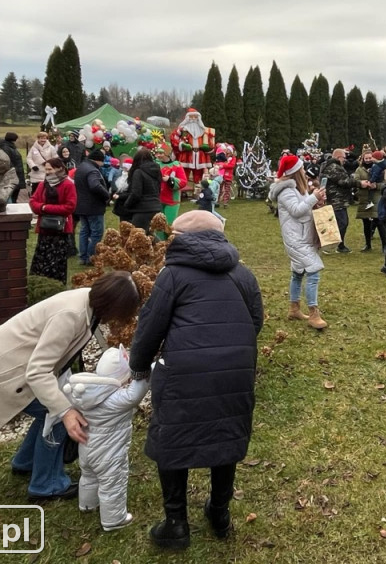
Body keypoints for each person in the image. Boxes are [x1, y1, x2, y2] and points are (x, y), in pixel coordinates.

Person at [0, 271, 141, 501]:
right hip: (8, 369)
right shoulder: (70, 315)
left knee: (55, 408)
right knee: (59, 415)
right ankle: (46, 485)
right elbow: (38, 371)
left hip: (16, 363)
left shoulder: (88, 303)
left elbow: (58, 359)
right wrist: (65, 411)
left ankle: (27, 462)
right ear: (112, 305)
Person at [128, 211, 263, 549]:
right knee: (226, 433)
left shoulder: (172, 275)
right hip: (235, 370)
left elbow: (150, 326)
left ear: (182, 239)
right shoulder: (243, 274)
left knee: (174, 437)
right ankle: (219, 513)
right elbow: (255, 321)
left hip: (184, 370)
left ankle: (175, 524)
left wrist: (139, 365)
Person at [65, 344, 150, 532]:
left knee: (88, 477)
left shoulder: (86, 393)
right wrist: (150, 367)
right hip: (108, 454)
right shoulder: (117, 399)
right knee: (112, 483)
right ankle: (114, 519)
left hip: (86, 449)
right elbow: (138, 390)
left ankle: (87, 505)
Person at [268, 155, 328, 329]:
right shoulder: (286, 191)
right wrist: (313, 197)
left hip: (303, 237)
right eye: (302, 168)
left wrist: (317, 201)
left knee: (298, 273)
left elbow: (305, 209)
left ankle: (294, 309)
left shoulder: (297, 189)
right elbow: (296, 211)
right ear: (296, 171)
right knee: (314, 270)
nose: (305, 171)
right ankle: (313, 314)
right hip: (296, 240)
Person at [29, 157, 77, 283]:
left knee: (57, 261)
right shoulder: (42, 184)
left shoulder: (68, 185)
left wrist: (45, 207)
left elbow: (69, 207)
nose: (47, 172)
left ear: (59, 169)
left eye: (50, 169)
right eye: (46, 169)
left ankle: (56, 285)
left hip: (61, 230)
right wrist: (42, 207)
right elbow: (33, 202)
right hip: (44, 229)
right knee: (41, 259)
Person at [74, 149, 111, 267]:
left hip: (81, 205)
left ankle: (83, 256)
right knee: (96, 233)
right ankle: (91, 257)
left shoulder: (81, 167)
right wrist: (106, 195)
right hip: (93, 207)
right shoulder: (93, 170)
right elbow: (95, 185)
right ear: (98, 160)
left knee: (84, 231)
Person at [319, 148, 356, 253]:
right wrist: (359, 183)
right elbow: (344, 182)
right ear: (338, 157)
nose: (345, 160)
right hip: (336, 199)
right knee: (342, 222)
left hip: (335, 198)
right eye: (344, 158)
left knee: (337, 222)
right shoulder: (334, 167)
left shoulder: (327, 165)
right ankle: (332, 245)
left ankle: (339, 244)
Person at [121, 148, 161, 233]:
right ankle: (164, 245)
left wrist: (127, 204)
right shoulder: (156, 170)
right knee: (148, 235)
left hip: (142, 209)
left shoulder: (138, 172)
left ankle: (167, 246)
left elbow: (136, 193)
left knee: (137, 237)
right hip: (155, 206)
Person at [154, 143, 189, 227]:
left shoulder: (176, 166)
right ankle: (160, 240)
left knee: (169, 225)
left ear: (167, 153)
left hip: (172, 200)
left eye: (161, 153)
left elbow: (183, 182)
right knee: (159, 224)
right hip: (158, 199)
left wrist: (170, 180)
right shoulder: (156, 165)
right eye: (157, 153)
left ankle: (170, 240)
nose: (158, 155)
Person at [354, 151, 381, 251]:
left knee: (379, 222)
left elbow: (385, 182)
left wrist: (376, 185)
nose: (368, 160)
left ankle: (385, 245)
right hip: (365, 198)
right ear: (363, 159)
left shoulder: (379, 168)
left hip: (376, 198)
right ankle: (368, 244)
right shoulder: (359, 170)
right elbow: (355, 181)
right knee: (366, 224)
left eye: (370, 158)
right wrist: (361, 183)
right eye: (366, 158)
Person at [0, 131, 26, 203]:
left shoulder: (10, 147)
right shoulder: (6, 148)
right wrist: (14, 169)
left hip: (16, 172)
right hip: (13, 174)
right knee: (12, 193)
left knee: (15, 193)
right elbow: (7, 161)